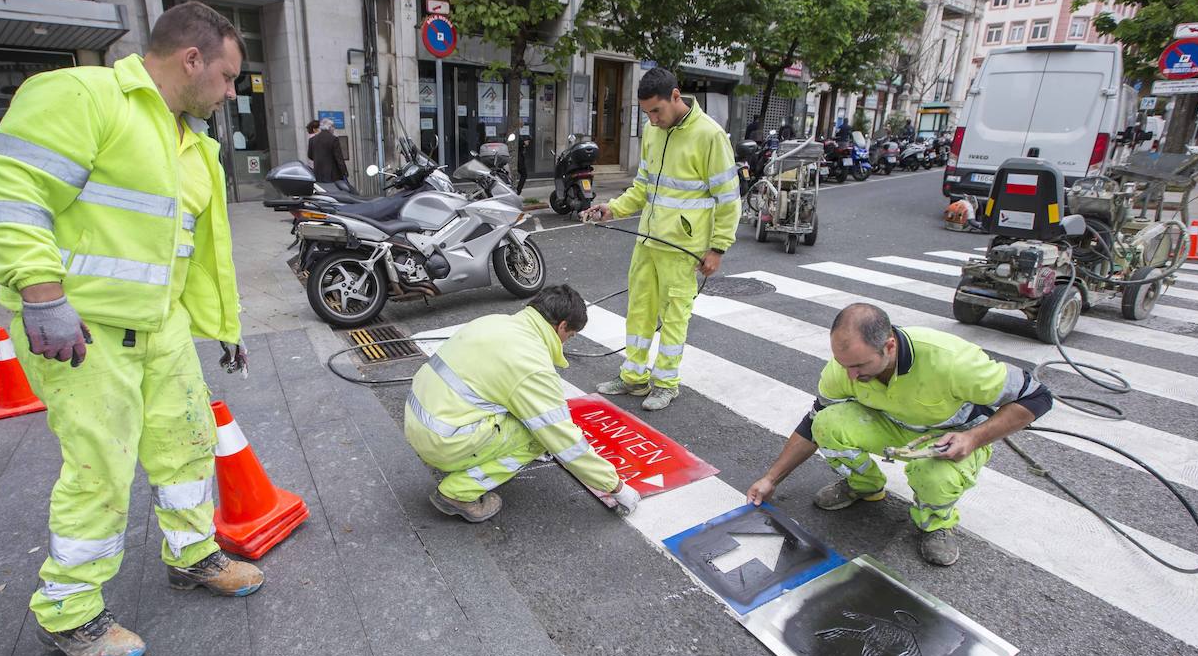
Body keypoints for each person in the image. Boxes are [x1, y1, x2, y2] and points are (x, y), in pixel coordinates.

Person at [0, 1, 261, 656]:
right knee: (100, 468)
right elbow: (11, 185)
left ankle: (191, 557)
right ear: (192, 59)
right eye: (224, 77)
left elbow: (190, 250)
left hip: (161, 327)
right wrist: (41, 292)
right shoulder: (84, 95)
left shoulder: (189, 140)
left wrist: (223, 327)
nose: (228, 94)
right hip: (82, 329)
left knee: (186, 444)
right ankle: (69, 614)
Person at [746, 304, 1051, 566]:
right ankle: (865, 487)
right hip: (894, 424)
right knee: (826, 423)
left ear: (889, 346)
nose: (851, 376)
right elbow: (811, 424)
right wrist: (771, 479)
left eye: (860, 366)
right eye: (844, 365)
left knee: (933, 477)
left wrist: (974, 438)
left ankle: (935, 523)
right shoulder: (844, 369)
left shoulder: (951, 361)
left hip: (952, 435)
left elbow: (1037, 397)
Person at [405, 285, 641, 522]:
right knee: (539, 435)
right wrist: (616, 486)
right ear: (561, 326)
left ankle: (476, 453)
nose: (565, 343)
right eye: (569, 337)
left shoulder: (493, 321)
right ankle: (458, 493)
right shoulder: (531, 363)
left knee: (525, 415)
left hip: (417, 422)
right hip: (443, 442)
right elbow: (563, 439)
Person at [582, 68, 739, 412]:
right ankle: (634, 377)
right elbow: (642, 187)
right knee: (638, 311)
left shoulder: (710, 136)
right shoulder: (653, 133)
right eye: (646, 113)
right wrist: (612, 208)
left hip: (683, 249)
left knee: (673, 316)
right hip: (647, 241)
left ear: (676, 96)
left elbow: (728, 199)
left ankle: (666, 383)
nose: (652, 120)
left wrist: (718, 248)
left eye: (657, 111)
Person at [307, 117, 349, 183]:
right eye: (333, 127)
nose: (334, 129)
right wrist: (344, 172)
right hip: (333, 175)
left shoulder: (312, 140)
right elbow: (339, 158)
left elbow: (310, 155)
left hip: (318, 175)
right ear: (330, 127)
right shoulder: (333, 139)